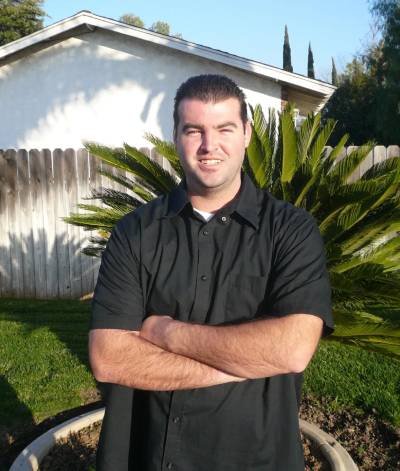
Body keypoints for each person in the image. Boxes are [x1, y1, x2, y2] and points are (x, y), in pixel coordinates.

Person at [89, 74, 333, 471]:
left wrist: (165, 333)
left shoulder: (291, 230)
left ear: (247, 134)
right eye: (194, 130)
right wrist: (244, 363)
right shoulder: (134, 232)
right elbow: (110, 358)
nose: (209, 145)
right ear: (175, 136)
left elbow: (291, 349)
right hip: (150, 457)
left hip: (257, 459)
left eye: (224, 128)